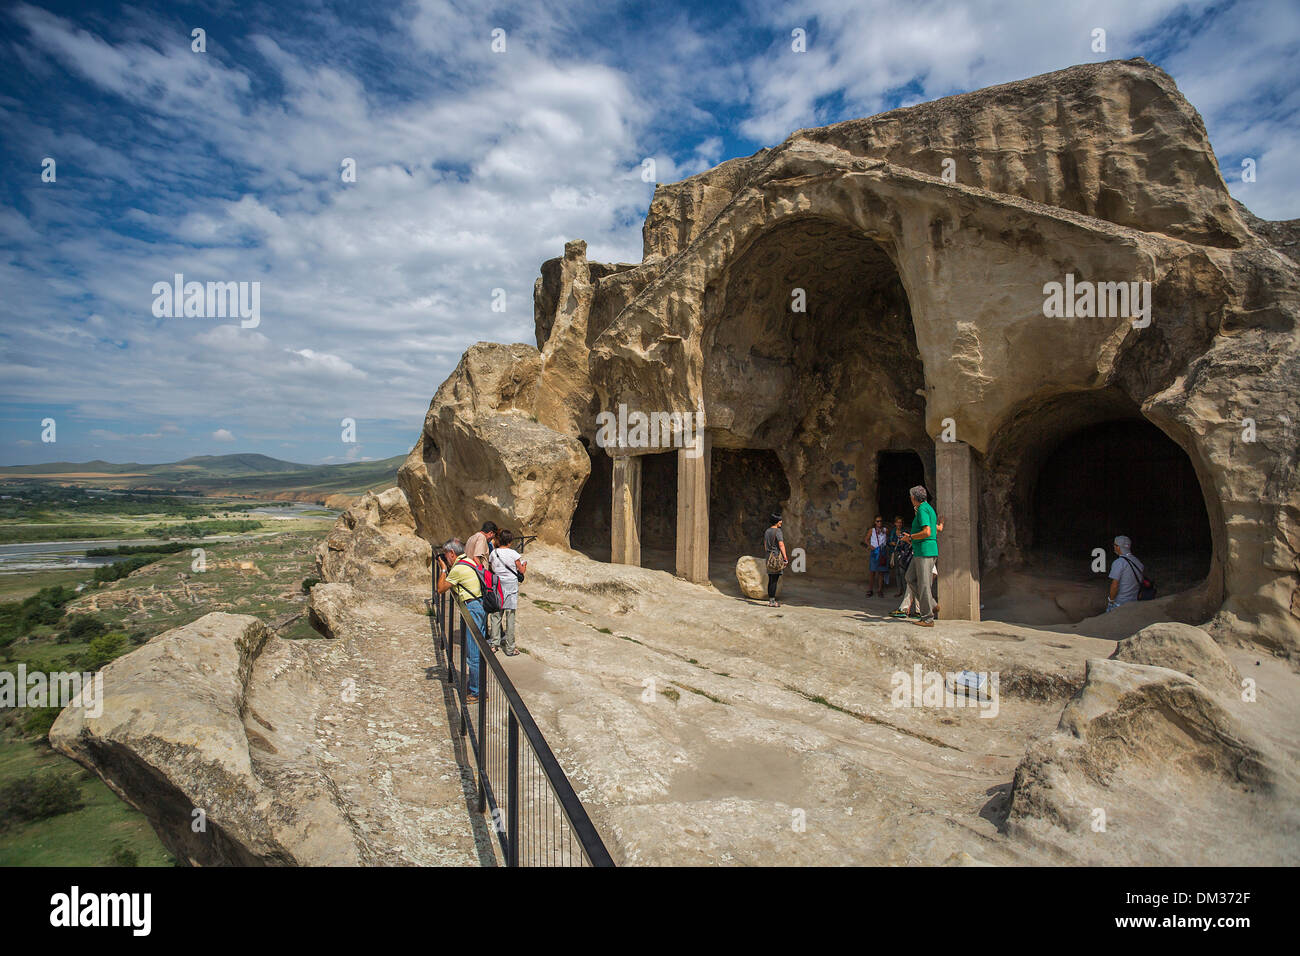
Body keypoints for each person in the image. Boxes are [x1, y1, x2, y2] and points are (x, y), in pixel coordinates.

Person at [435, 538, 487, 703]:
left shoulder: (458, 568)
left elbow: (441, 589)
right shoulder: (468, 561)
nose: (446, 558)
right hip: (479, 606)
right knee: (476, 650)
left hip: (472, 608)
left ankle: (477, 692)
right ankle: (477, 685)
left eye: (446, 555)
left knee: (473, 653)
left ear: (451, 553)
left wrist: (443, 569)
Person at [896, 486, 939, 627]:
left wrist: (911, 537)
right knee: (910, 577)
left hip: (924, 551)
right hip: (921, 551)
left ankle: (927, 618)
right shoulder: (928, 508)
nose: (910, 499)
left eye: (911, 496)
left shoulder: (922, 510)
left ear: (914, 498)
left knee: (924, 584)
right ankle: (931, 604)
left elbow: (927, 532)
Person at [488, 529, 525, 656]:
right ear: (509, 541)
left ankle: (494, 644)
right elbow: (521, 570)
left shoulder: (494, 553)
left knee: (496, 616)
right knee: (510, 617)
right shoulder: (514, 554)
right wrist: (524, 565)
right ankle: (510, 648)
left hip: (498, 585)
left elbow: (491, 568)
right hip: (511, 587)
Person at [1107, 535, 1144, 611]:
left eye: (1115, 545)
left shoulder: (1119, 562)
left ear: (1118, 547)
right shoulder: (1138, 561)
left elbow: (1114, 586)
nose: (1114, 547)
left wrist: (1111, 600)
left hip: (1120, 603)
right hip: (1134, 601)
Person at [764, 513, 789, 607]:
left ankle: (771, 600)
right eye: (780, 521)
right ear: (777, 522)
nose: (781, 522)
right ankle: (772, 602)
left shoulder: (767, 531)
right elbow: (781, 545)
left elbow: (765, 545)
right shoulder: (778, 531)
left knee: (771, 579)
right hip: (776, 557)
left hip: (768, 557)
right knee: (774, 579)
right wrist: (785, 558)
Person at [865, 516, 888, 597]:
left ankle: (880, 590)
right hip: (875, 552)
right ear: (875, 522)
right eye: (877, 521)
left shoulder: (885, 530)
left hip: (882, 552)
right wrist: (870, 546)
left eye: (880, 521)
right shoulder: (872, 530)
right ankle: (870, 589)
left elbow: (887, 538)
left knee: (881, 572)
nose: (879, 523)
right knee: (872, 572)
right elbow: (866, 539)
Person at [889, 516, 908, 597]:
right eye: (898, 522)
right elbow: (889, 541)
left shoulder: (904, 532)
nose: (899, 524)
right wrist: (892, 543)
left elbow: (907, 542)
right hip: (895, 552)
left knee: (902, 572)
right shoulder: (893, 531)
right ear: (895, 523)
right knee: (897, 572)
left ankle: (905, 590)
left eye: (900, 522)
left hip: (902, 553)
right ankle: (899, 590)